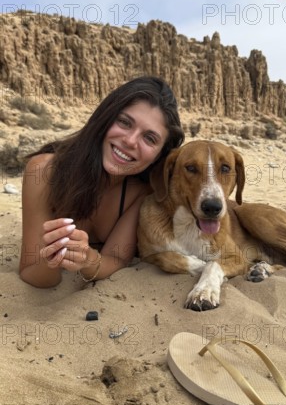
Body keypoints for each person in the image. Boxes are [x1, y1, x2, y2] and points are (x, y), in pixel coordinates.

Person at [19, 76, 184, 288]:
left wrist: (86, 258)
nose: (130, 141)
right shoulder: (43, 172)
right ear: (106, 117)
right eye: (124, 122)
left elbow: (116, 259)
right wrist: (55, 255)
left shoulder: (143, 193)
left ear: (160, 154)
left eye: (149, 138)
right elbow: (31, 272)